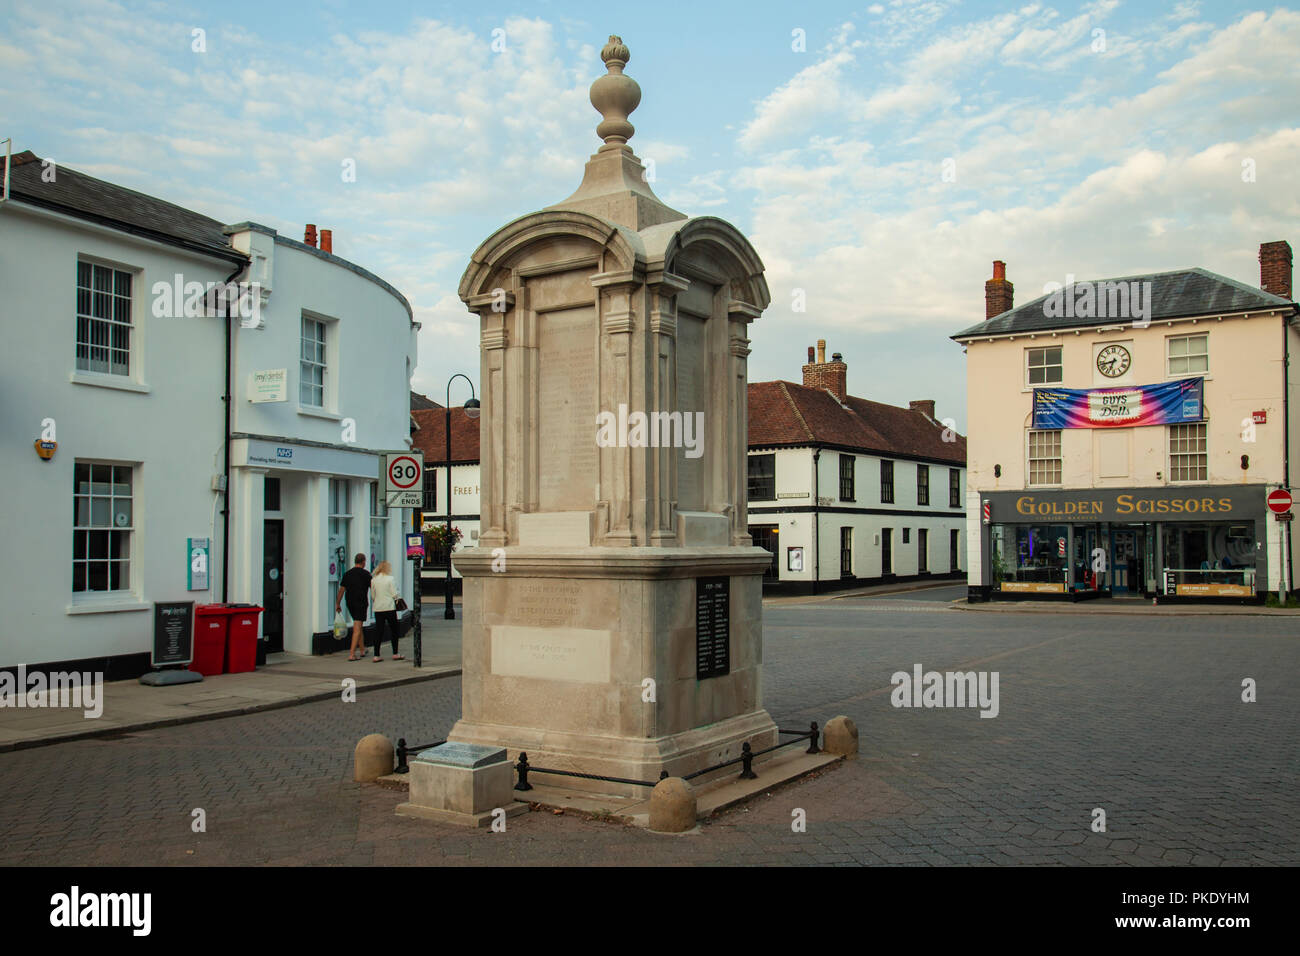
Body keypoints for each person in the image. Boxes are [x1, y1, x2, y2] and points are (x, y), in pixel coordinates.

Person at [335, 553, 371, 662]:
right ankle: (352, 654)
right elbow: (373, 588)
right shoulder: (366, 574)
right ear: (363, 561)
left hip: (349, 603)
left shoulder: (347, 574)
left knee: (358, 625)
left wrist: (338, 603)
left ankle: (362, 649)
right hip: (361, 603)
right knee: (357, 628)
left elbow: (341, 590)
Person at [369, 561, 404, 662]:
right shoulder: (390, 579)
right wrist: (397, 596)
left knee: (378, 631)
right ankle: (395, 653)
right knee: (394, 630)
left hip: (378, 608)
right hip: (389, 607)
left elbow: (373, 595)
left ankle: (376, 655)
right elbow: (394, 594)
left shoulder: (374, 579)